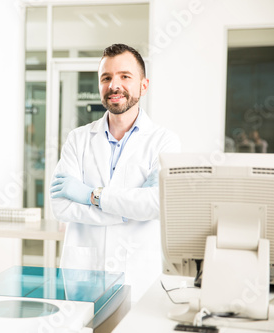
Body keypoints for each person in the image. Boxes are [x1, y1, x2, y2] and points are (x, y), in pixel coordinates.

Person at [49, 43, 181, 303]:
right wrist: (129, 210)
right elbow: (60, 206)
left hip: (138, 271)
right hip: (85, 271)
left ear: (143, 85)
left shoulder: (165, 142)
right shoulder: (78, 139)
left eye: (125, 76)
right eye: (106, 78)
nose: (114, 85)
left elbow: (155, 205)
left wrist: (91, 196)